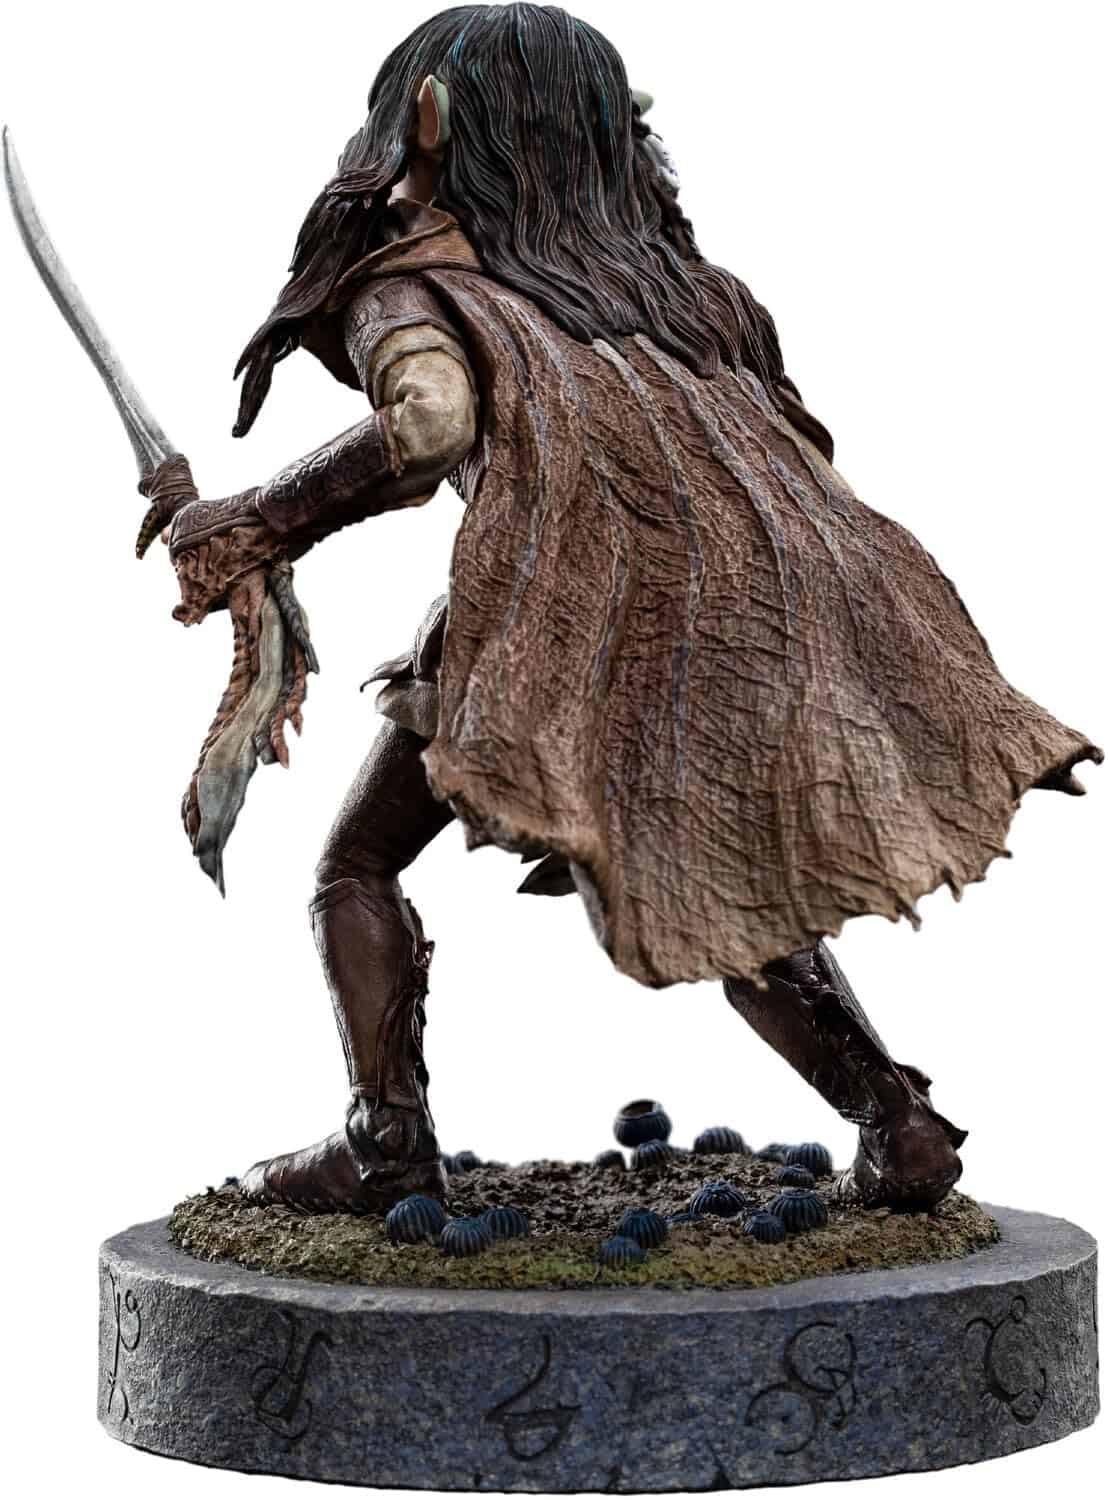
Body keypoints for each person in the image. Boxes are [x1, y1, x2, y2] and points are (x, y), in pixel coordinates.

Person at [165, 4, 1100, 1216]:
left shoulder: (419, 286)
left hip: (562, 636)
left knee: (356, 862)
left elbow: (429, 425)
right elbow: (800, 458)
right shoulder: (695, 294)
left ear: (427, 121)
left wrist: (258, 515)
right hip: (743, 629)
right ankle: (897, 1120)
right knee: (732, 878)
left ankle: (383, 1140)